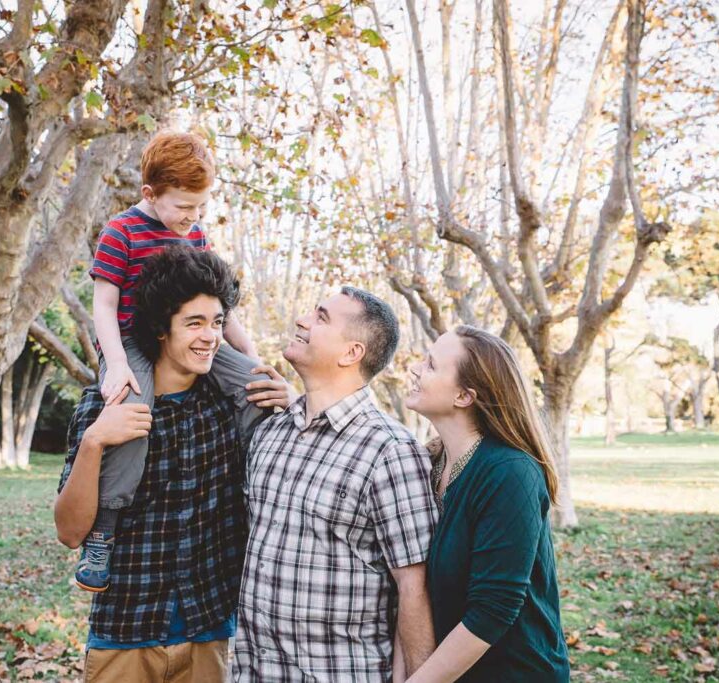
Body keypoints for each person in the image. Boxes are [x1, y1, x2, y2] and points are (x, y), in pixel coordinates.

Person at [55, 247, 291, 682]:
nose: (210, 336)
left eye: (217, 322)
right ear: (161, 328)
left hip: (209, 630)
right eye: (194, 323)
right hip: (125, 631)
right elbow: (70, 533)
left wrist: (292, 402)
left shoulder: (230, 406)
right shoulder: (105, 406)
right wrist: (94, 442)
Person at [80, 131, 266, 591]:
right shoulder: (120, 232)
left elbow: (218, 305)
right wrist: (116, 364)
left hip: (188, 334)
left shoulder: (195, 234)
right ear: (150, 193)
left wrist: (250, 354)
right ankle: (104, 528)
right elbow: (103, 305)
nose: (193, 217)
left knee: (256, 386)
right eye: (184, 206)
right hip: (131, 342)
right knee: (132, 412)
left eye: (200, 206)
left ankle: (253, 488)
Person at [234, 287, 438, 682]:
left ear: (351, 353)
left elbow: (415, 589)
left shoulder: (390, 451)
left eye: (321, 317)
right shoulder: (270, 433)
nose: (303, 320)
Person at [403, 326, 570, 682]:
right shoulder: (429, 463)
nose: (415, 369)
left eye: (430, 365)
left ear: (464, 396)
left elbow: (493, 610)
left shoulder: (510, 472)